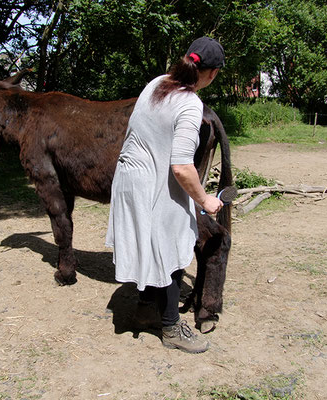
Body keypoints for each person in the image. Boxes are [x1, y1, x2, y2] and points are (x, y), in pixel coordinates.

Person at [105, 37, 225, 353]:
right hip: (150, 186)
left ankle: (145, 312)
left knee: (150, 245)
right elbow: (183, 168)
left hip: (128, 181)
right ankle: (172, 328)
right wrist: (206, 200)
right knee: (169, 251)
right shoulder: (189, 103)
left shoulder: (158, 83)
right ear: (211, 74)